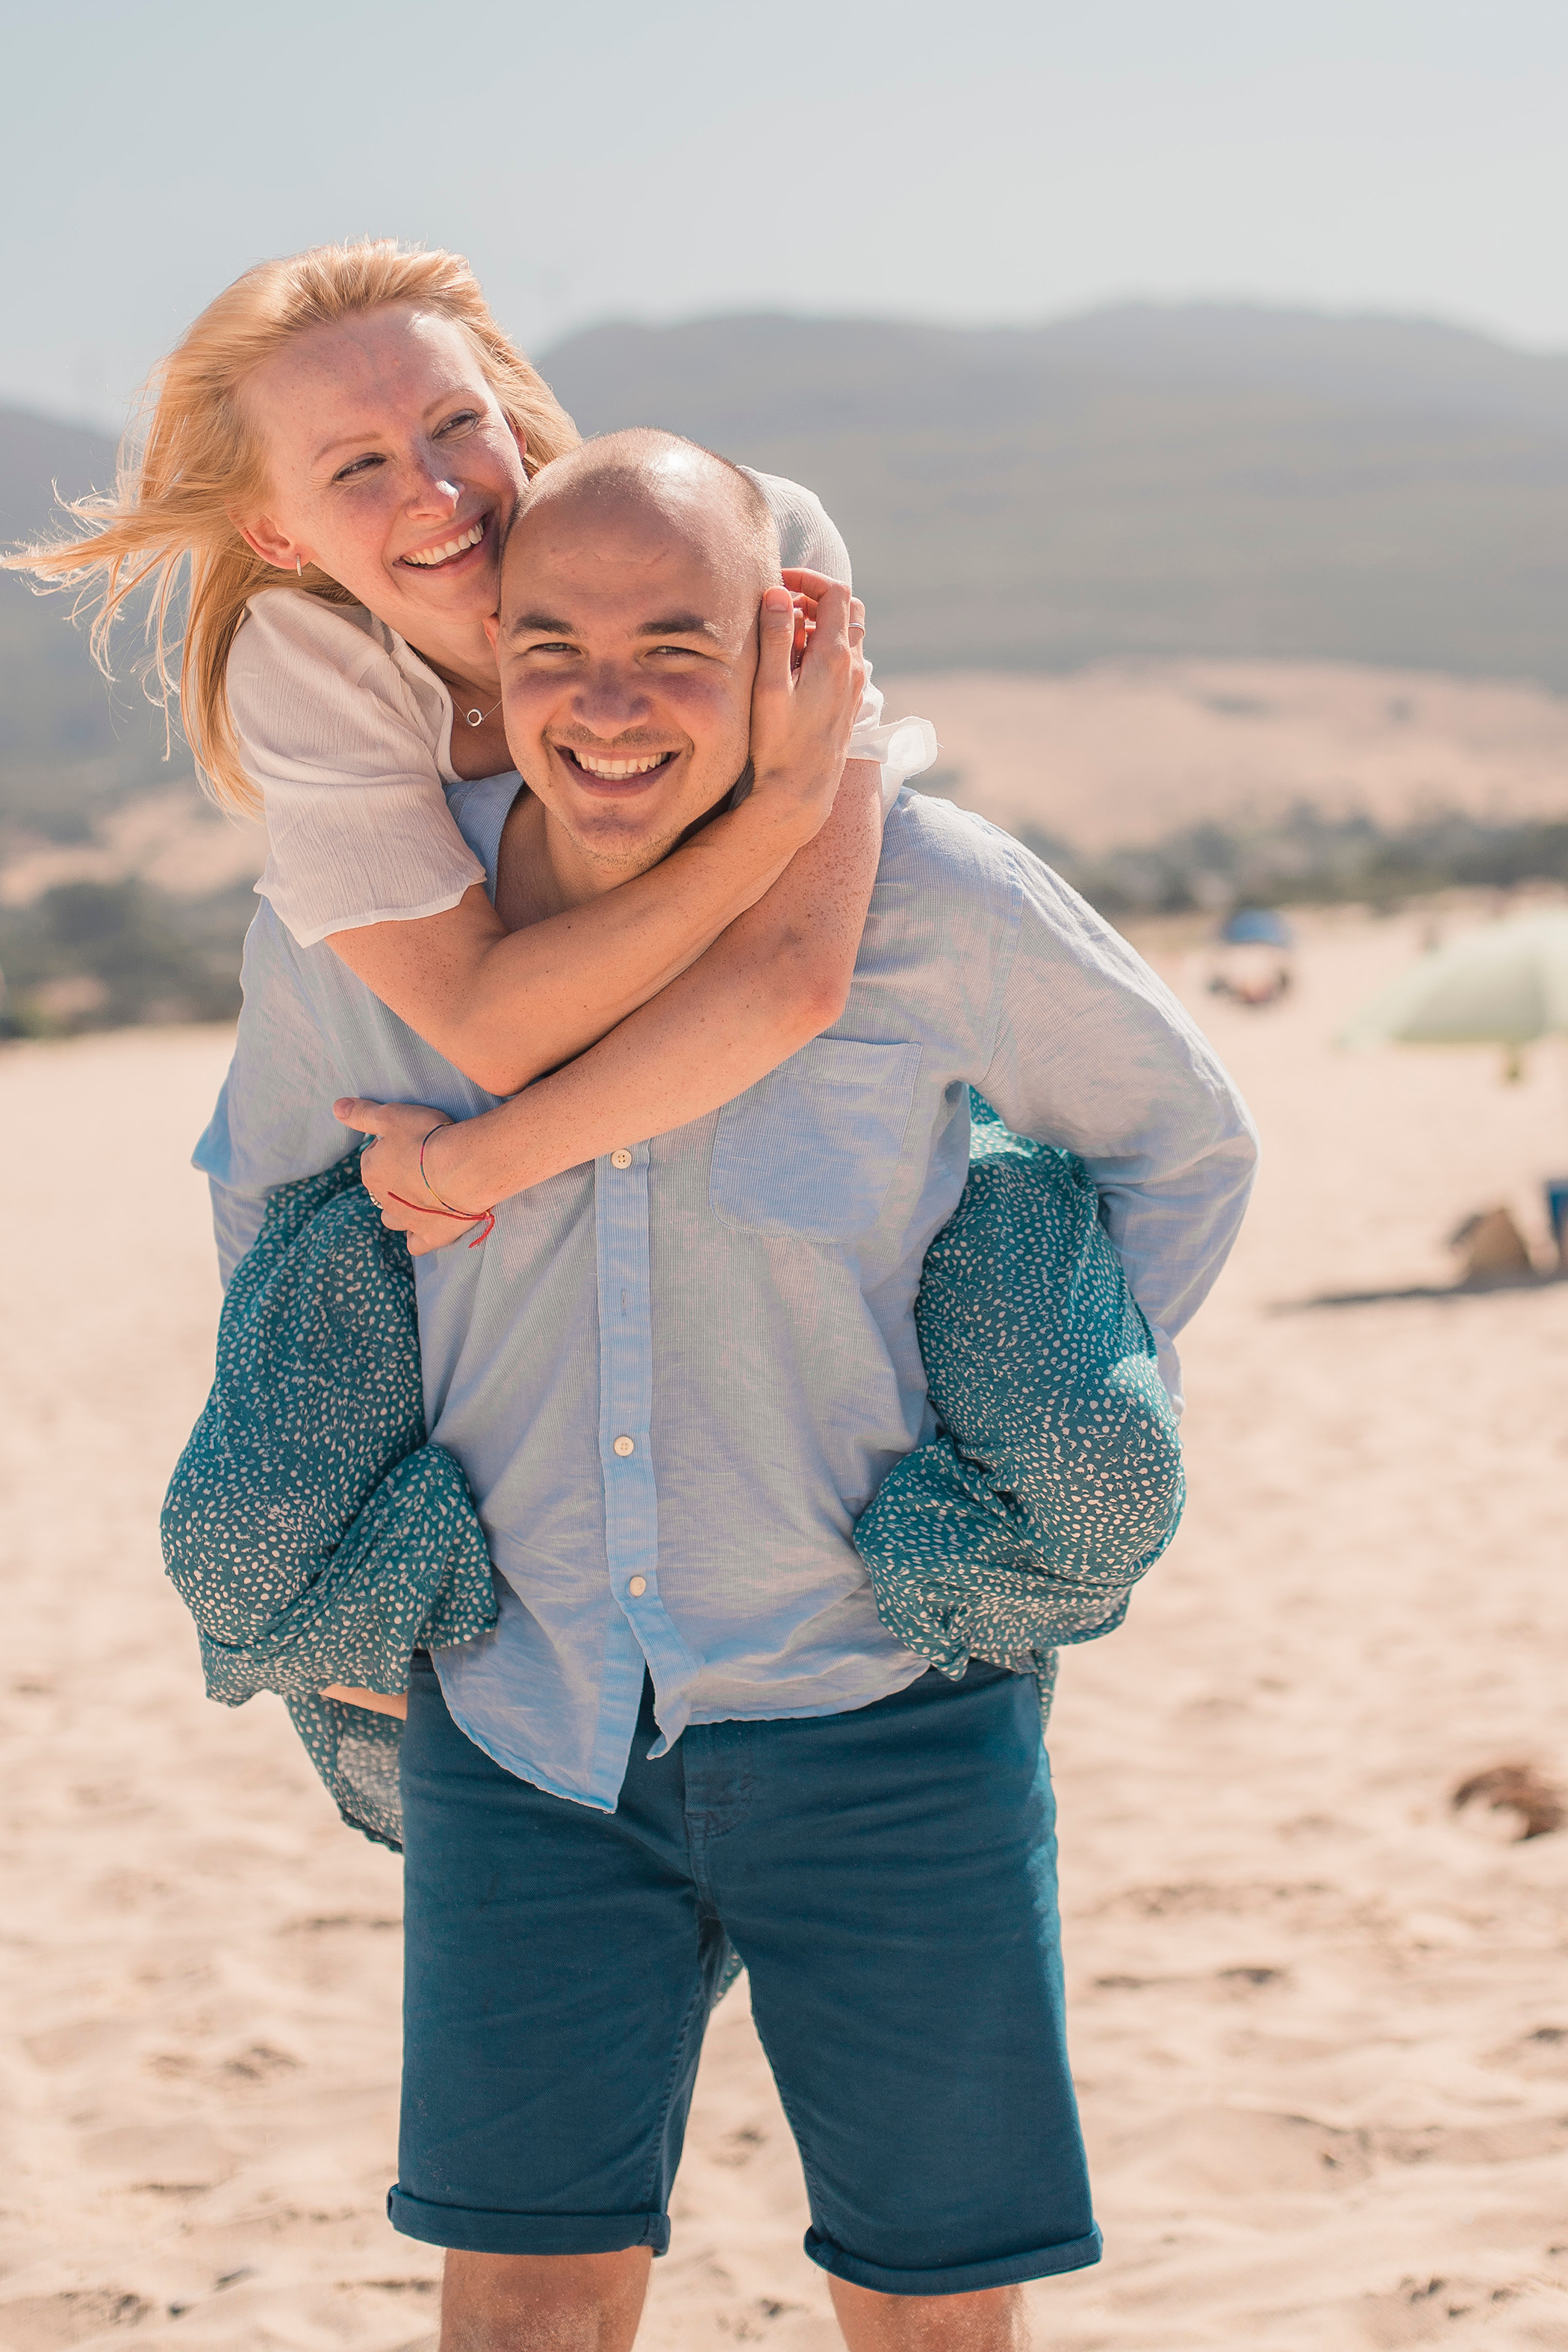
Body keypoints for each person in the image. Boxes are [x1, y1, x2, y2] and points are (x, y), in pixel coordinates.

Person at [196, 428, 1257, 2351]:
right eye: (553, 647)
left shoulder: (941, 900)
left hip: (890, 1710)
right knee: (520, 2305)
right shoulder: (370, 934)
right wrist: (331, 1512)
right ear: (490, 654)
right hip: (524, 1733)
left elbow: (1182, 1149)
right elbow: (266, 1214)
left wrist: (1051, 1444)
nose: (608, 706)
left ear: (787, 644)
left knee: (932, 2310)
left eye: (676, 645)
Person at [7, 241, 931, 1205]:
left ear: (509, 419)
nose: (437, 492)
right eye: (357, 466)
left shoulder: (751, 546)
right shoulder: (308, 663)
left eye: (455, 423)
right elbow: (495, 1029)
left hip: (465, 1177)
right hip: (327, 1187)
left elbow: (797, 971)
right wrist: (777, 814)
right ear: (277, 533)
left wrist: (474, 1168)